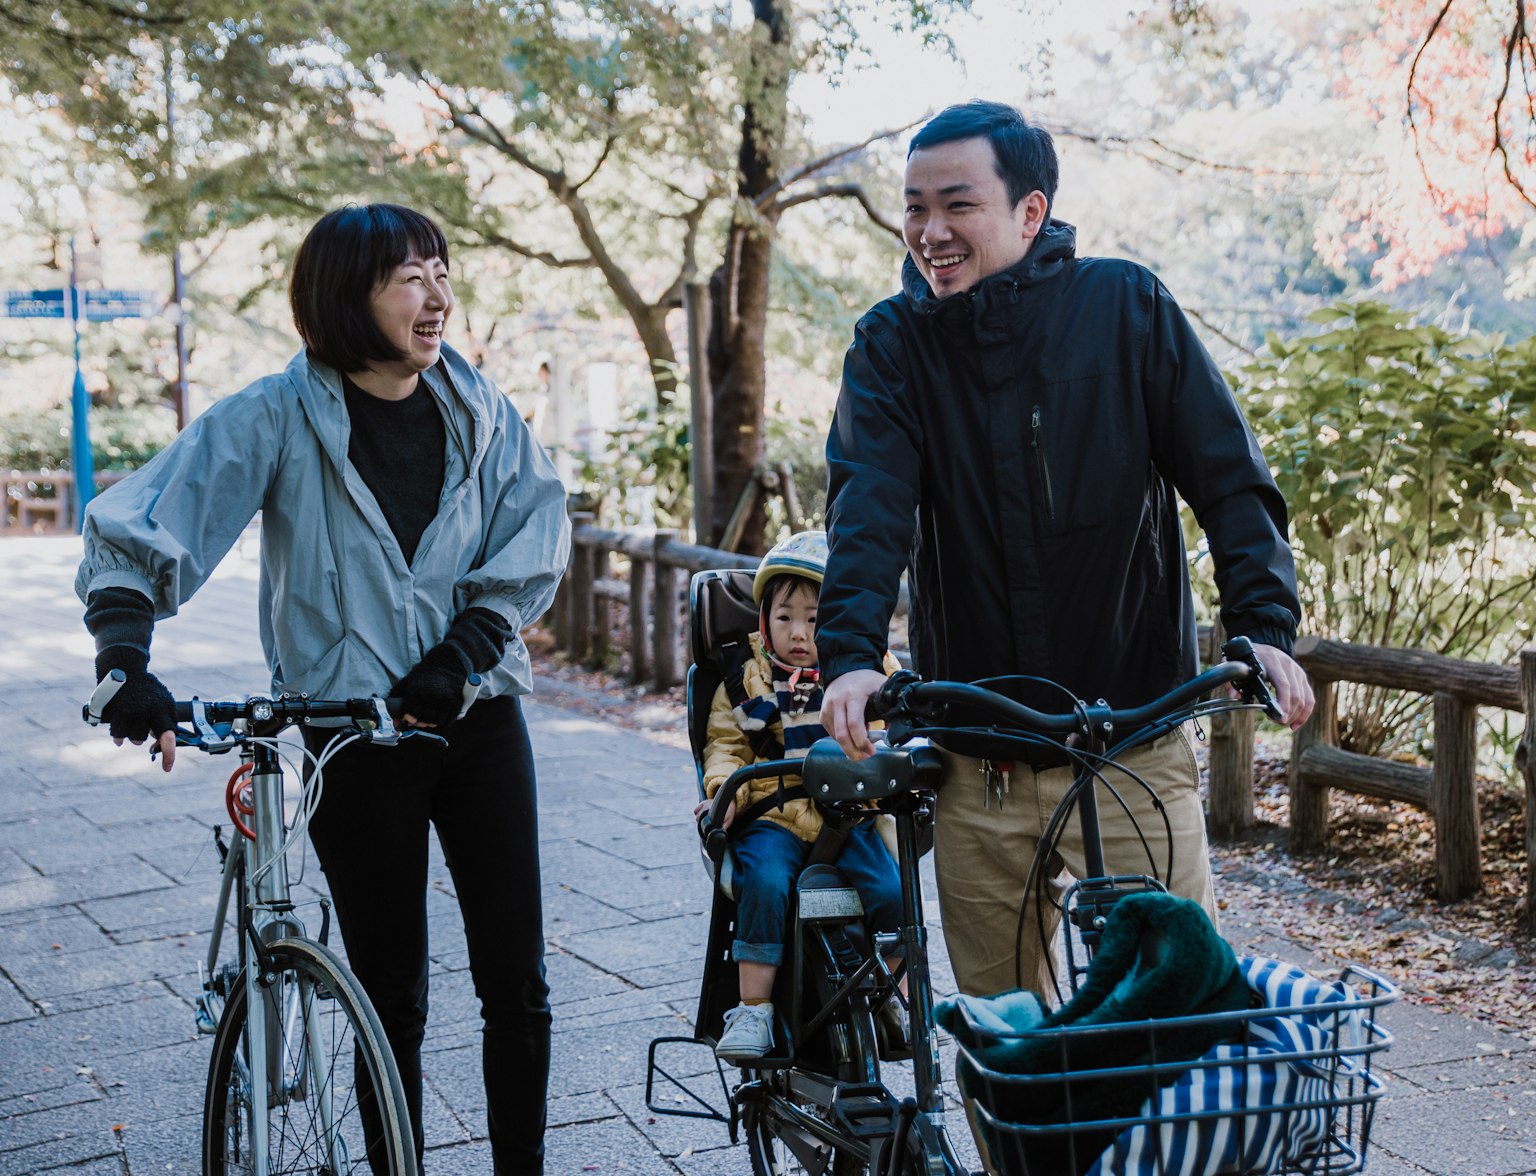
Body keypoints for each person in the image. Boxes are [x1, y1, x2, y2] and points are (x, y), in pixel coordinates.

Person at [76, 203, 570, 1174]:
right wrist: (124, 656)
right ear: (351, 295)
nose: (437, 295)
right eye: (409, 276)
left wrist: (468, 646)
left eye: (440, 269)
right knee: (392, 999)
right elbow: (153, 514)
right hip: (351, 738)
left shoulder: (480, 406)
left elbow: (535, 526)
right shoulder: (277, 415)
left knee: (517, 982)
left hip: (477, 722)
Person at [816, 102, 1316, 1002]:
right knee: (1005, 1042)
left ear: (1030, 212)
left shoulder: (1126, 309)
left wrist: (1265, 625)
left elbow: (1231, 479)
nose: (931, 232)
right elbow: (869, 507)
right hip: (979, 768)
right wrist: (851, 656)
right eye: (915, 206)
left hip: (1134, 745)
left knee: (1179, 1017)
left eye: (957, 205)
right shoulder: (891, 346)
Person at [695, 531, 905, 1062]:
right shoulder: (744, 681)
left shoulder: (863, 680)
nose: (799, 633)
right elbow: (724, 746)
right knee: (762, 883)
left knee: (894, 895)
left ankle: (884, 992)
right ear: (763, 619)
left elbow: (894, 731)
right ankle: (754, 1009)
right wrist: (725, 791)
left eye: (816, 619)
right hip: (774, 816)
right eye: (785, 617)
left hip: (849, 814)